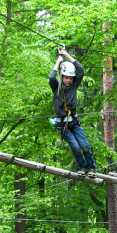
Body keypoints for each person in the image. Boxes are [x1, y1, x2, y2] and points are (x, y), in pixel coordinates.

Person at [49, 48, 97, 176]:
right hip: (62, 124)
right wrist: (58, 62)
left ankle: (91, 168)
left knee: (85, 146)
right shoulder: (57, 87)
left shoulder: (74, 86)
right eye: (66, 78)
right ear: (62, 76)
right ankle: (83, 167)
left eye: (71, 78)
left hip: (73, 122)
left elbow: (80, 69)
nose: (69, 80)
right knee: (75, 147)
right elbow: (51, 77)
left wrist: (66, 55)